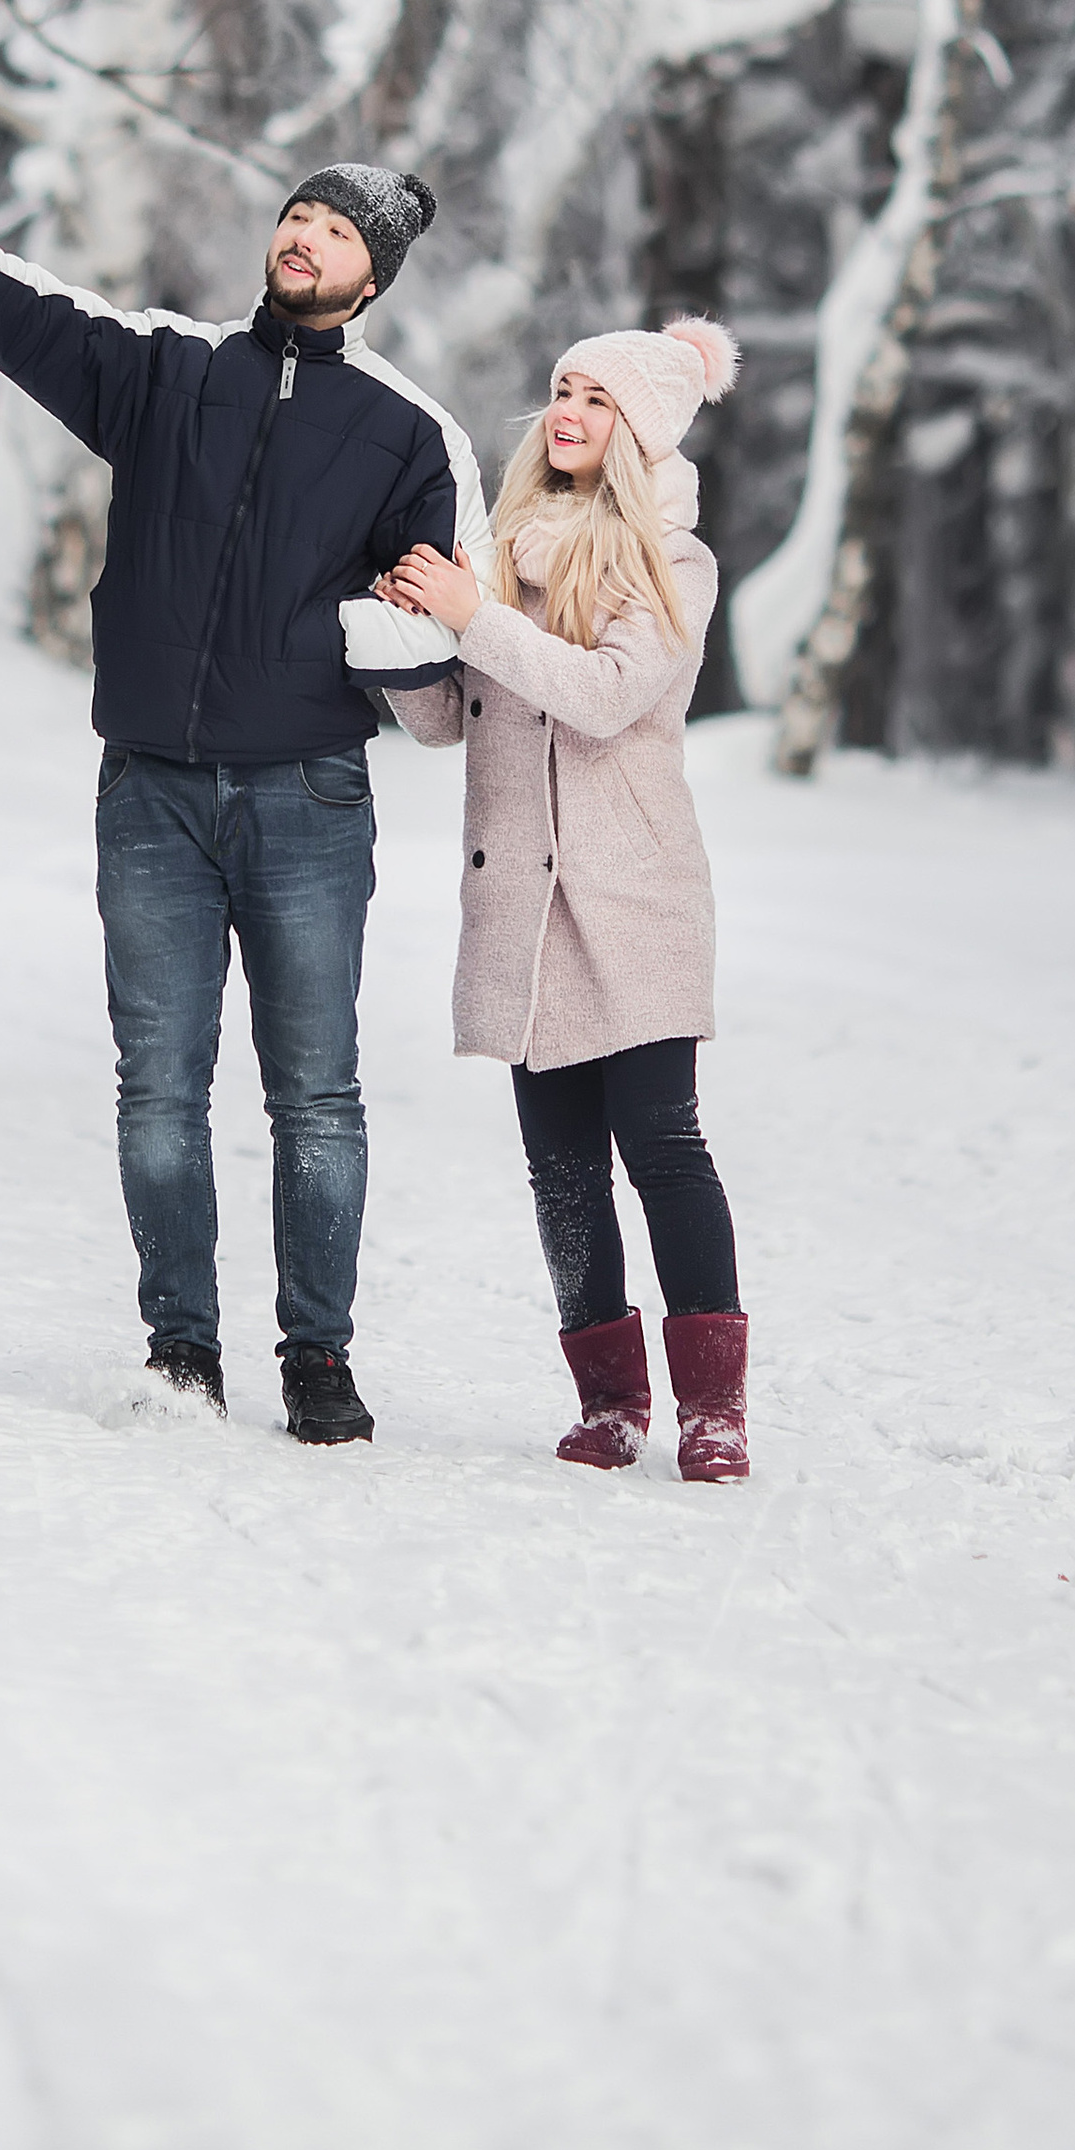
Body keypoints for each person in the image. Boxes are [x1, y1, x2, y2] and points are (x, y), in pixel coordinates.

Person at [0, 147, 482, 1444]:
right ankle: (180, 1352)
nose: (304, 239)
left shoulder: (410, 435)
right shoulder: (170, 371)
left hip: (306, 801)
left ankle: (319, 1360)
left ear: (372, 278)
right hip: (154, 799)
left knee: (317, 1095)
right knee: (160, 1089)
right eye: (296, 217)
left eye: (335, 233)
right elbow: (32, 318)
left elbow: (436, 627)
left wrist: (360, 631)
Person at [373, 318, 749, 1482]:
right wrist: (408, 636)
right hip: (522, 901)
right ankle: (609, 1403)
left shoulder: (670, 562)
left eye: (595, 395)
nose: (567, 409)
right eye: (559, 388)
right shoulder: (498, 552)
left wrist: (475, 614)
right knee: (561, 1167)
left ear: (637, 430)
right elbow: (451, 723)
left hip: (632, 895)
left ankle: (712, 1412)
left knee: (664, 1147)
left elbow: (604, 695)